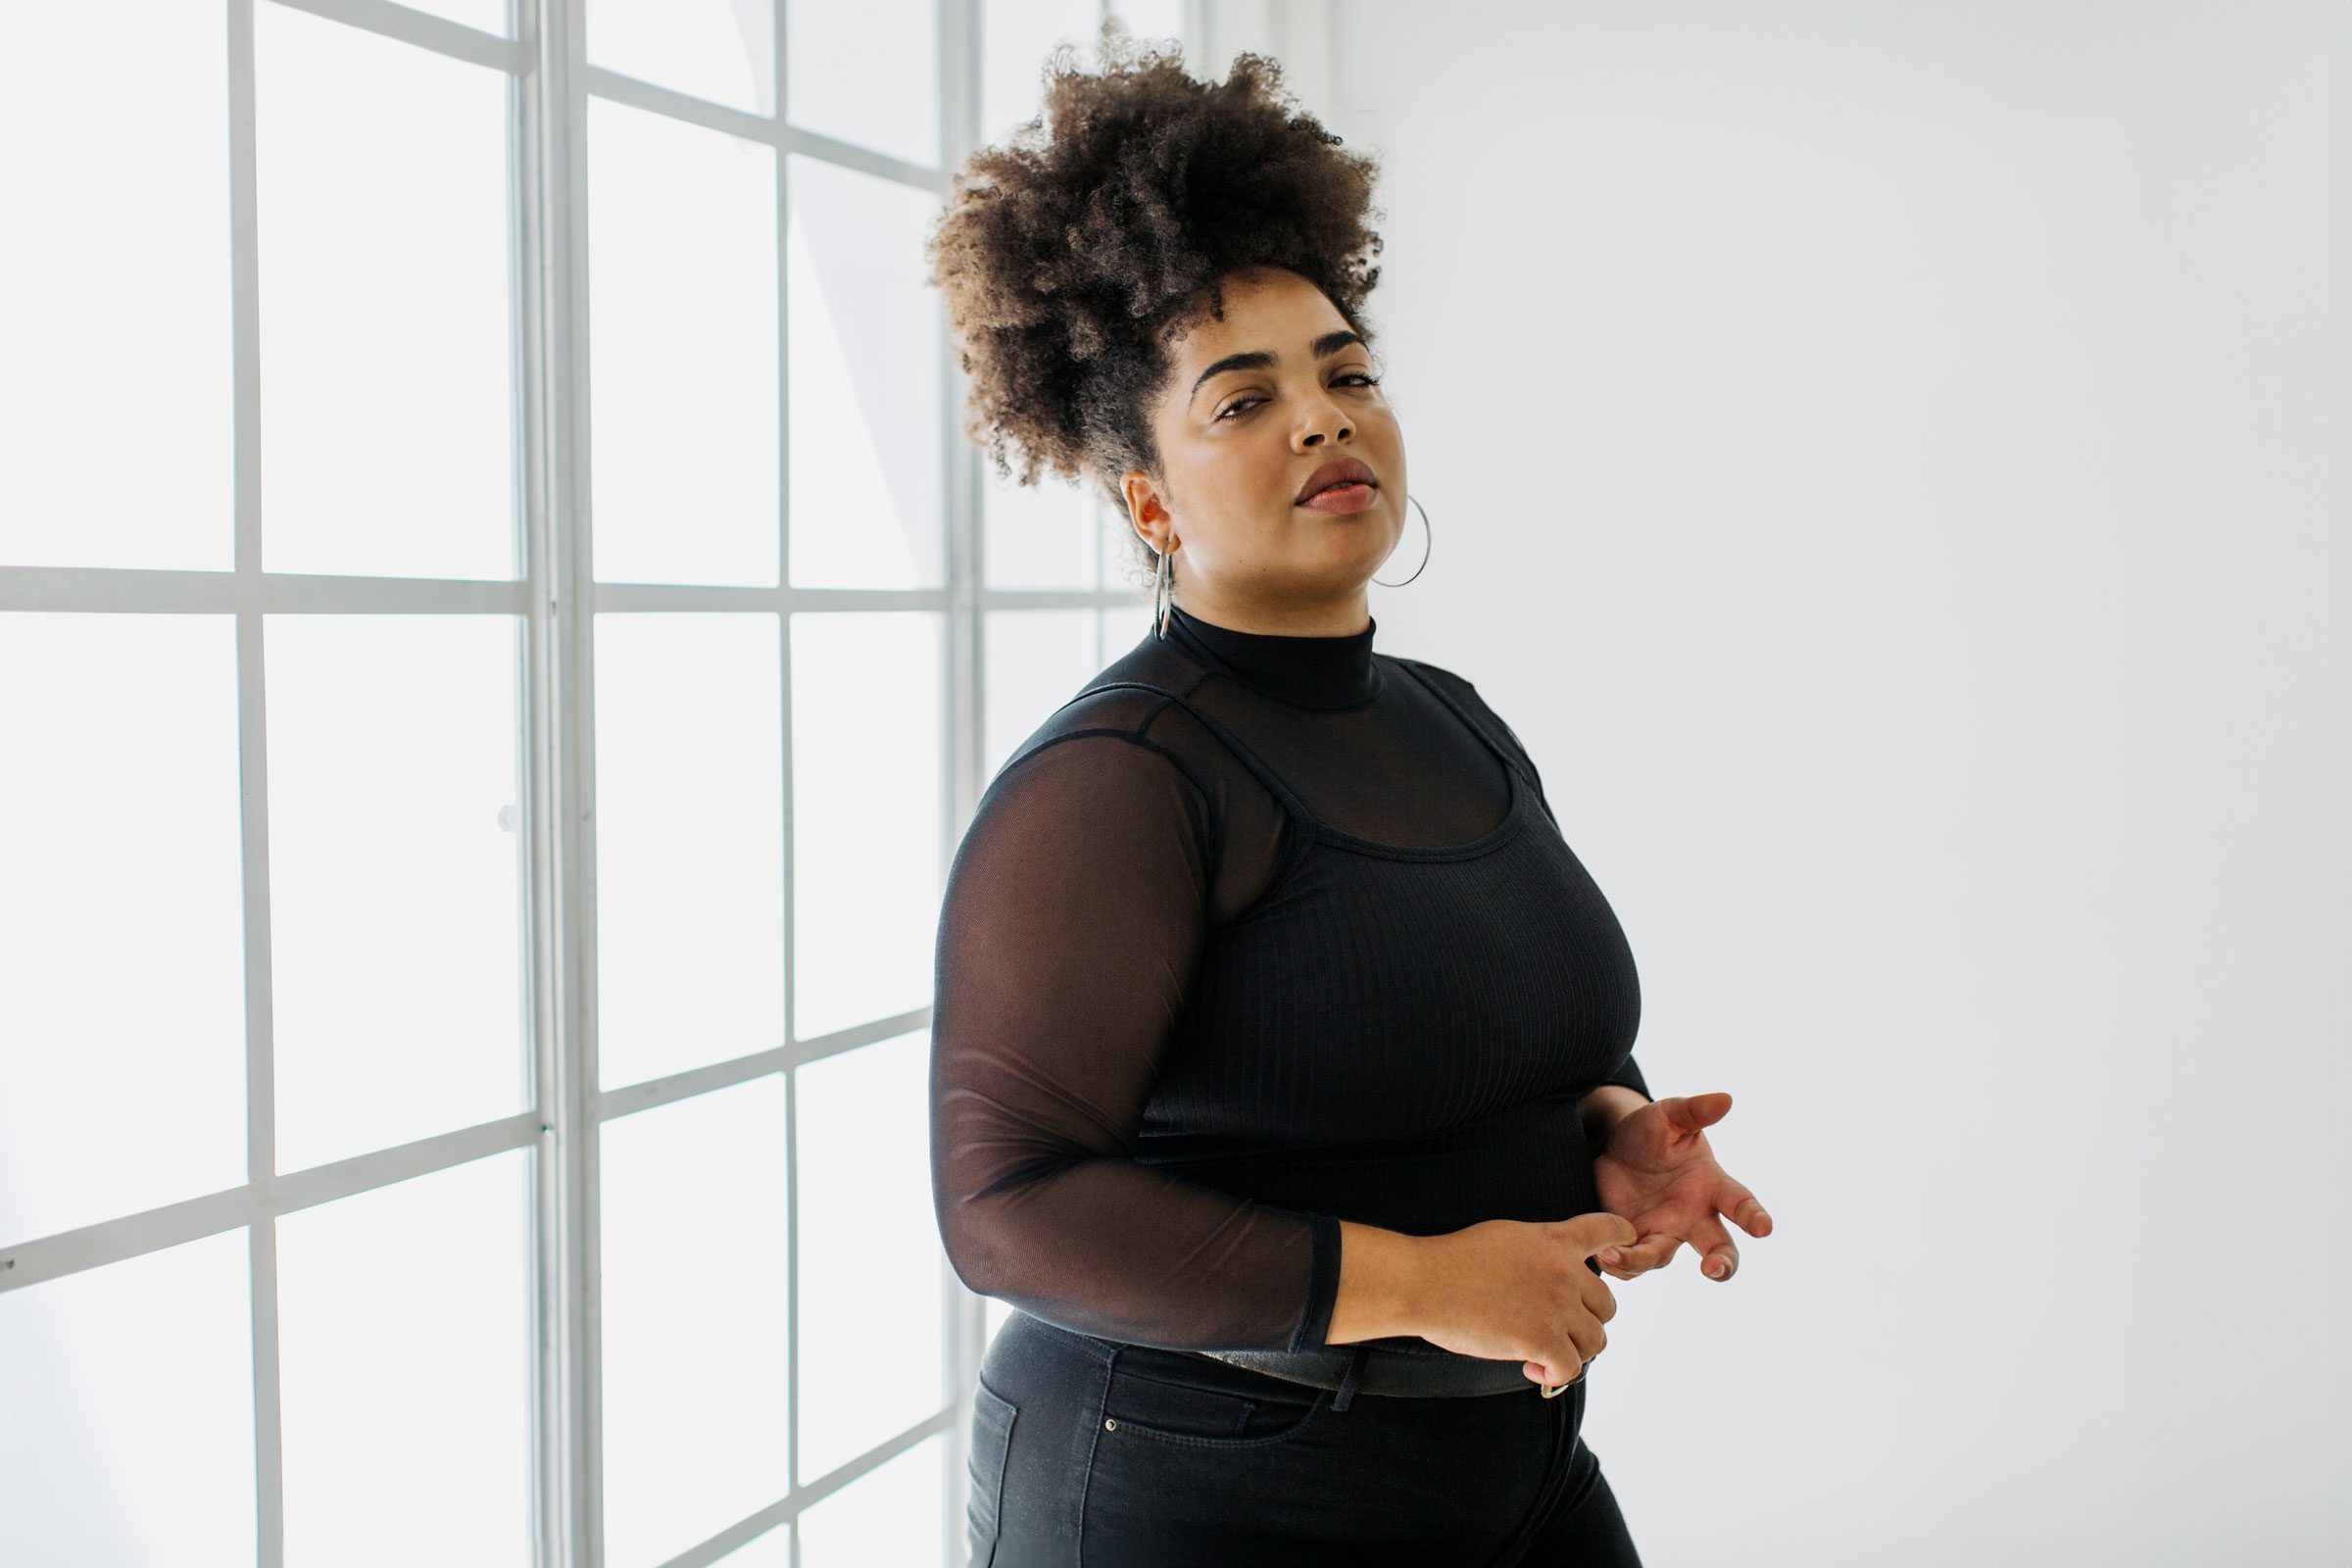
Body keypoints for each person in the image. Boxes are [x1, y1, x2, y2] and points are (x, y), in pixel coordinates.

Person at [924, 22, 1772, 1566]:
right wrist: (1436, 1282)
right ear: (1149, 501)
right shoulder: (1117, 783)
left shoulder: (1449, 720)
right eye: (1242, 401)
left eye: (1347, 372)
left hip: (1500, 1460)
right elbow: (1007, 1208)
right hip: (1195, 1478)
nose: (1322, 415)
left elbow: (1431, 1035)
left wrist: (1609, 1123)